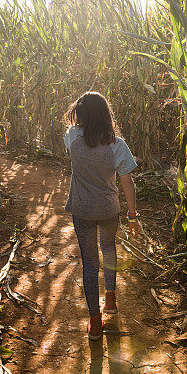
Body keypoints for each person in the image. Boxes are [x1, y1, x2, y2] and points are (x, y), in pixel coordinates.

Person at [63, 91, 139, 340]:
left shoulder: (73, 137)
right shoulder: (117, 144)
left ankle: (95, 322)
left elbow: (75, 142)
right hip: (109, 210)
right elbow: (127, 183)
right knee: (108, 248)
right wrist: (132, 215)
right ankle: (111, 298)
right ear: (106, 114)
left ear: (81, 112)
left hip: (83, 210)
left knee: (89, 263)